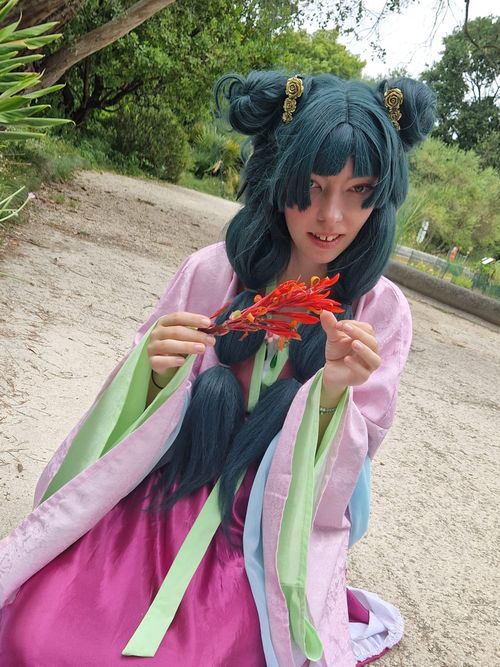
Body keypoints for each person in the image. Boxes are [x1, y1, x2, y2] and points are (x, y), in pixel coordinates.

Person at [0, 71, 435, 666]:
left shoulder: (381, 310)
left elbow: (351, 461)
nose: (331, 216)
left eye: (358, 191)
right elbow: (134, 412)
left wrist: (332, 395)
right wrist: (155, 372)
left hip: (264, 519)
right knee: (41, 634)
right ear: (277, 176)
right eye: (312, 187)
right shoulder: (210, 271)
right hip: (172, 480)